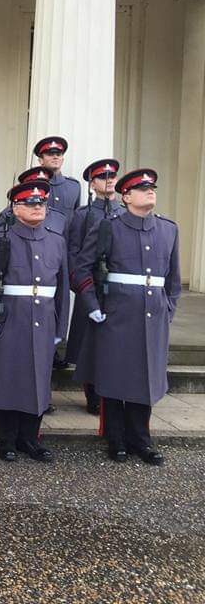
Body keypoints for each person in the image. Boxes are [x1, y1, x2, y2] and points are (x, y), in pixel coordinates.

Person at [73, 169, 180, 465]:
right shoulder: (109, 227)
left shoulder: (168, 229)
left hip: (152, 316)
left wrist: (168, 307)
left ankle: (141, 439)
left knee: (145, 379)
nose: (150, 192)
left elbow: (172, 279)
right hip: (116, 314)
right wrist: (92, 304)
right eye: (142, 188)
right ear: (126, 196)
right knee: (114, 377)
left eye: (152, 188)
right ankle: (116, 438)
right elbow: (83, 268)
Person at [0, 180, 70, 462]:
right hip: (9, 317)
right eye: (30, 203)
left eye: (41, 203)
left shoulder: (56, 240)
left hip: (43, 319)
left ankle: (31, 439)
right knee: (9, 377)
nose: (37, 207)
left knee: (39, 378)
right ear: (15, 208)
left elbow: (61, 289)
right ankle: (7, 440)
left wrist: (59, 326)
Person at [66, 159, 124, 415]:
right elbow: (74, 251)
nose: (109, 180)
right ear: (92, 184)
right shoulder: (82, 214)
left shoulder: (124, 212)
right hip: (91, 285)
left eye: (112, 176)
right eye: (102, 177)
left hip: (117, 289)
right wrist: (79, 283)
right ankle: (92, 392)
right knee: (90, 342)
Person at [33, 136, 81, 218]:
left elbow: (76, 221)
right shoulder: (32, 185)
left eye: (58, 154)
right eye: (50, 154)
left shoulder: (74, 186)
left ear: (62, 159)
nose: (55, 157)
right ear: (41, 160)